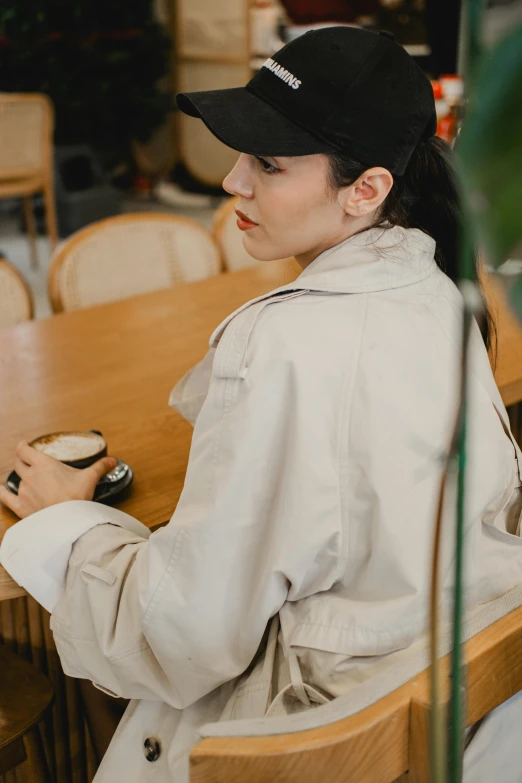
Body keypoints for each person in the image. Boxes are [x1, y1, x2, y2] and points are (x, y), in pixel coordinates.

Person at [1, 27, 522, 783]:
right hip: (449, 722)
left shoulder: (284, 344)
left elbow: (184, 633)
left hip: (313, 745)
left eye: (268, 163)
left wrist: (69, 525)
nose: (231, 183)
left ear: (367, 188)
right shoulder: (438, 288)